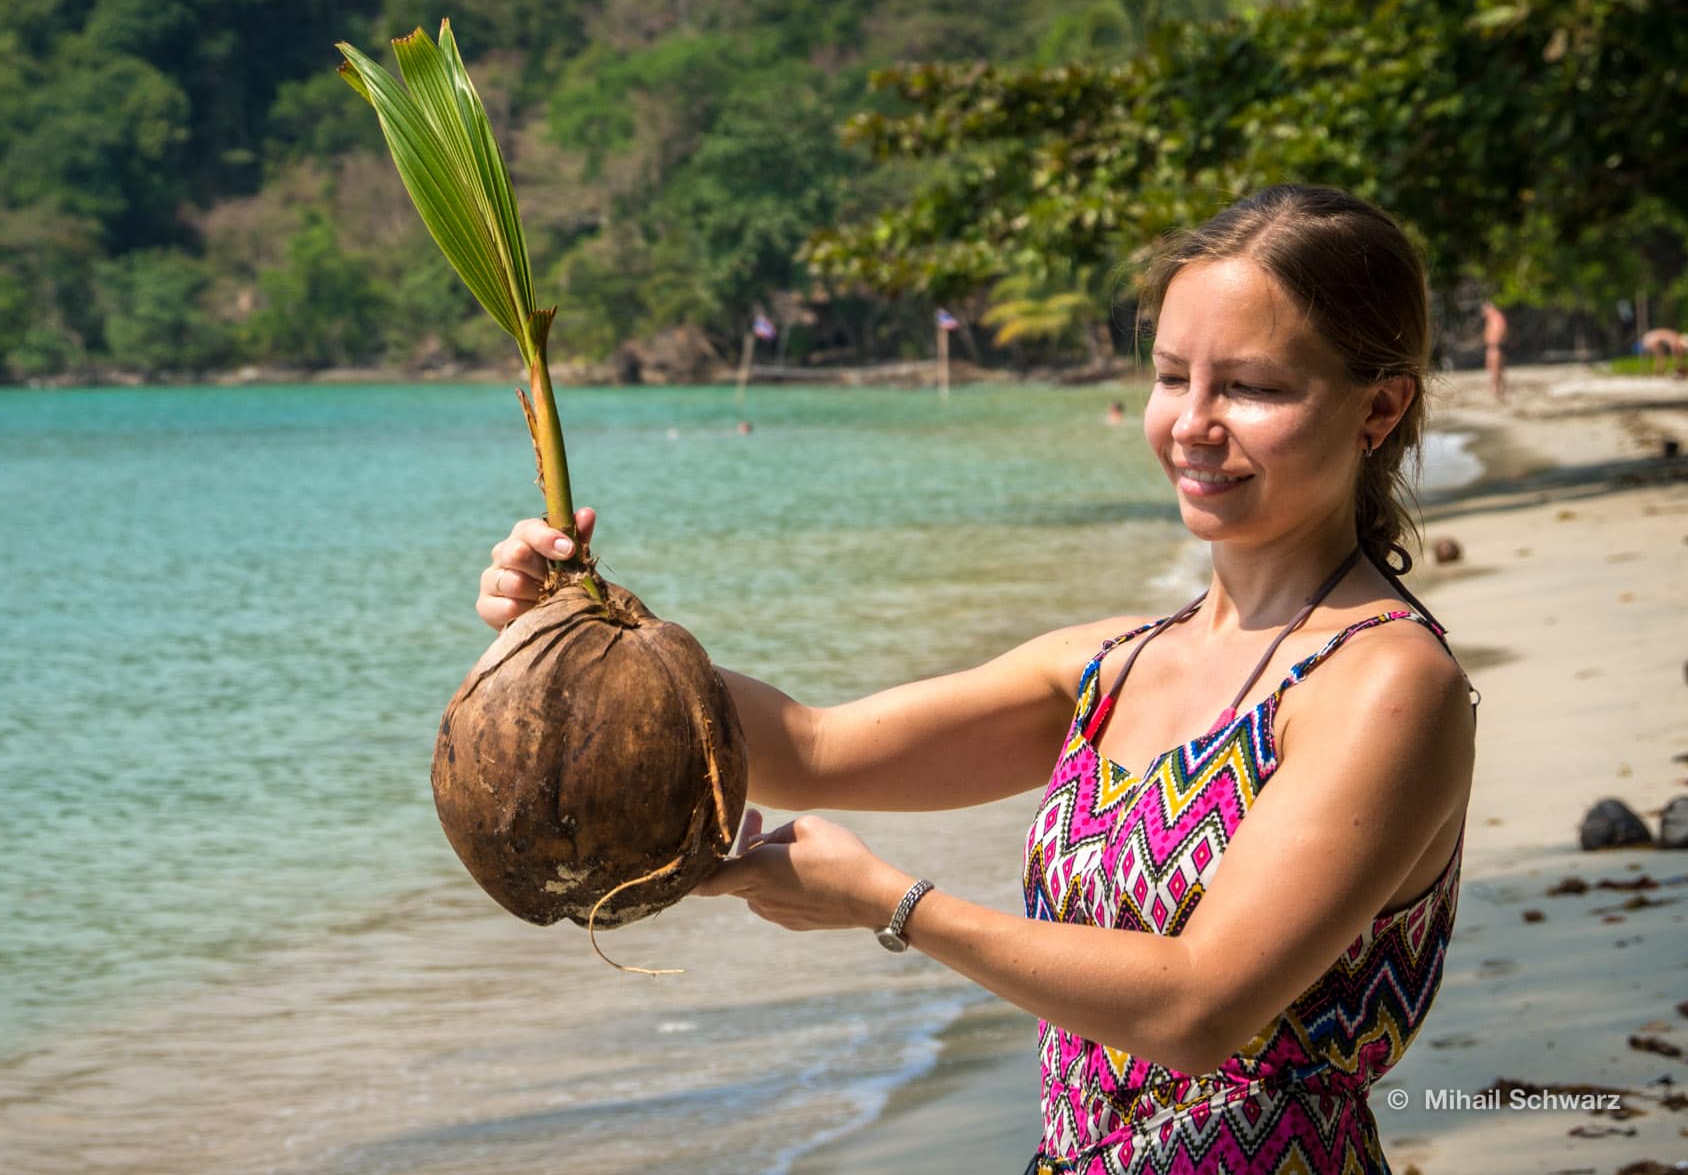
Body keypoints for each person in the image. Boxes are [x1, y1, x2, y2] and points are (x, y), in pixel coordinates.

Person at [474, 184, 1477, 1175]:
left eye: (1251, 387)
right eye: (1173, 376)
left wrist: (889, 901)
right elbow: (805, 749)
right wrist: (584, 625)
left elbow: (1195, 1005)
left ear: (1377, 406)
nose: (1191, 423)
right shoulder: (1106, 666)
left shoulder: (1383, 682)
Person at [1480, 301, 1508, 402]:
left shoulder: (1496, 318)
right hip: (1492, 346)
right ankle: (1496, 388)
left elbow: (1500, 331)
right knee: (1493, 368)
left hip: (1495, 346)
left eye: (1484, 310)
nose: (1482, 313)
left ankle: (1496, 389)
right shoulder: (1492, 319)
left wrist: (1496, 343)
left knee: (1496, 369)